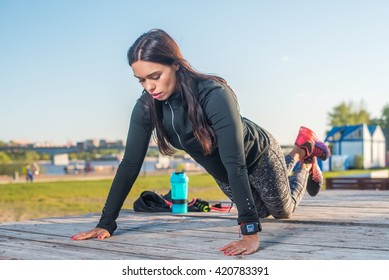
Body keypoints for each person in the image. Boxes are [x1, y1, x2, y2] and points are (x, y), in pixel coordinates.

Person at [71, 29, 330, 256]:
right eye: (141, 80)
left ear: (175, 64)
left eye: (155, 76)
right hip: (227, 174)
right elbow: (129, 165)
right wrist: (106, 223)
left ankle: (303, 158)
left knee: (282, 210)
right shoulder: (146, 107)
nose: (149, 87)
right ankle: (300, 153)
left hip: (256, 156)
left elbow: (235, 162)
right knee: (261, 212)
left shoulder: (213, 93)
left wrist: (249, 233)